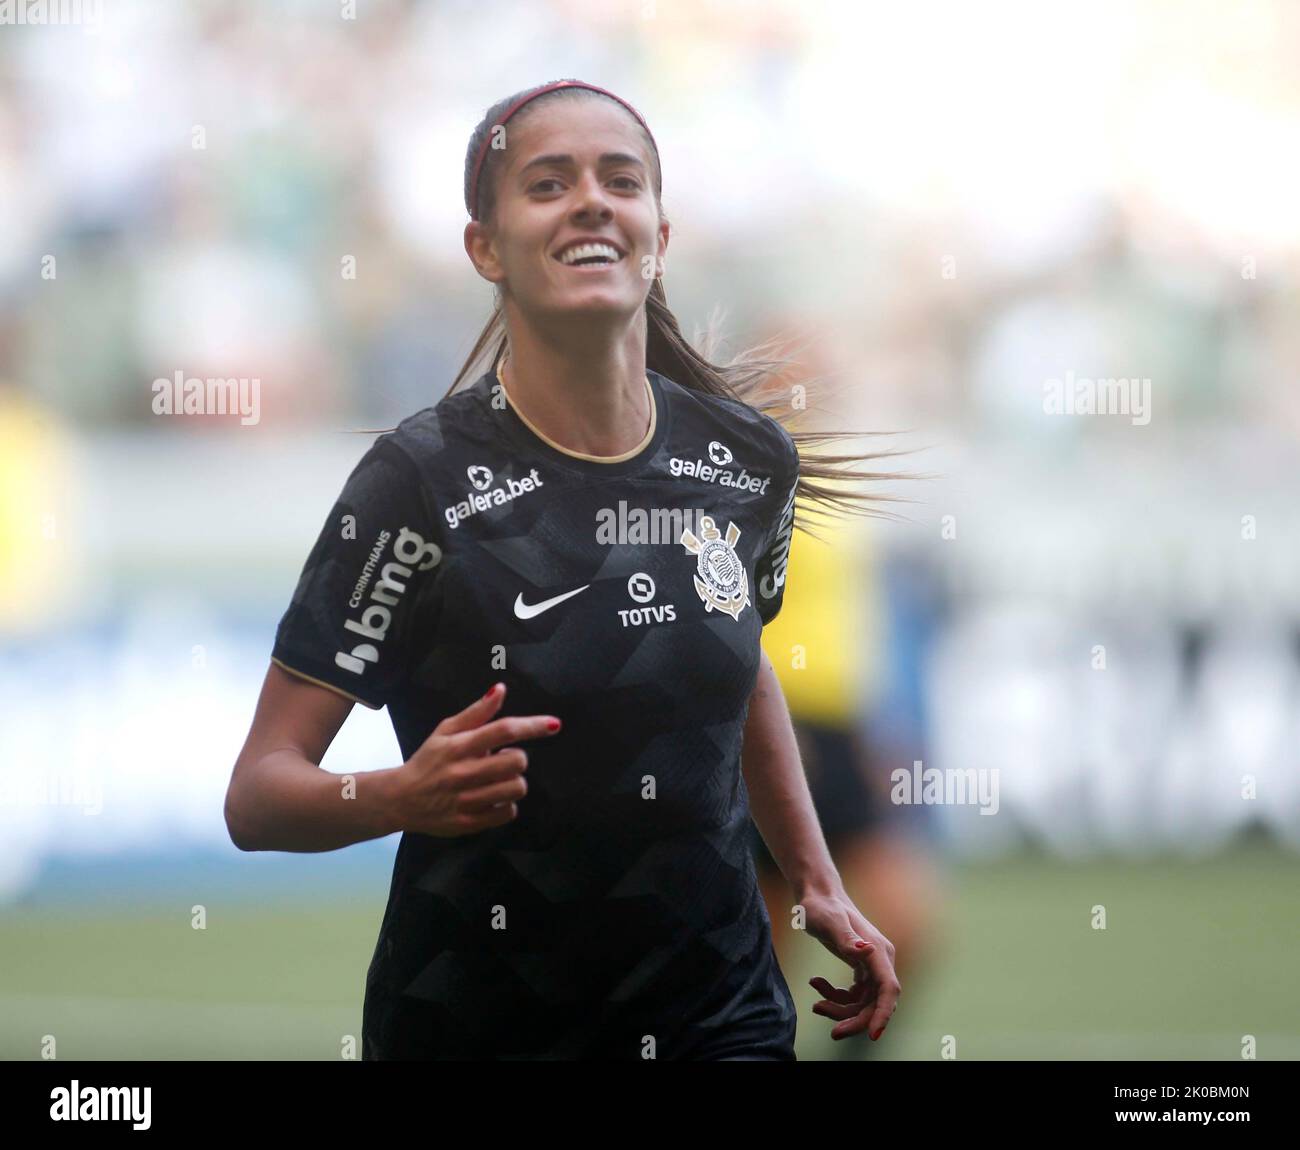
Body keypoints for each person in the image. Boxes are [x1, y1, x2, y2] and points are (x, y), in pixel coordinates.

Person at [224, 78, 901, 1061]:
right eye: (548, 183)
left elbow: (738, 664)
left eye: (618, 181)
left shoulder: (748, 459)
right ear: (485, 247)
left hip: (722, 1021)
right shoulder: (414, 483)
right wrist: (397, 795)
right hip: (474, 1025)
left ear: (657, 234)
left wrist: (816, 880)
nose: (590, 200)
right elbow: (257, 793)